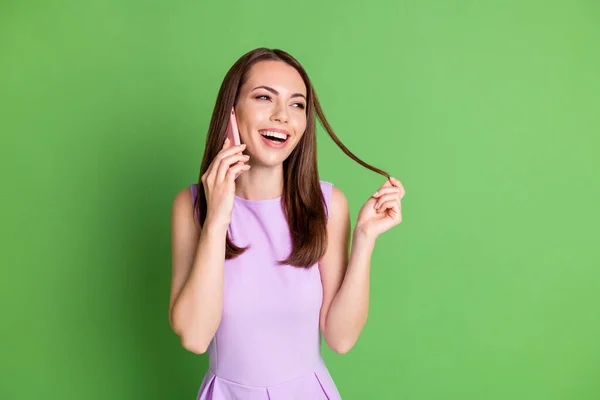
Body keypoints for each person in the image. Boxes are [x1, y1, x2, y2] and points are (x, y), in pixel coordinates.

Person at [169, 47, 406, 399]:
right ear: (231, 113)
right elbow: (194, 336)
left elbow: (340, 339)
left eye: (297, 104)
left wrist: (365, 238)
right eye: (264, 97)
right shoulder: (192, 207)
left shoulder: (327, 205)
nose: (283, 116)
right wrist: (218, 217)